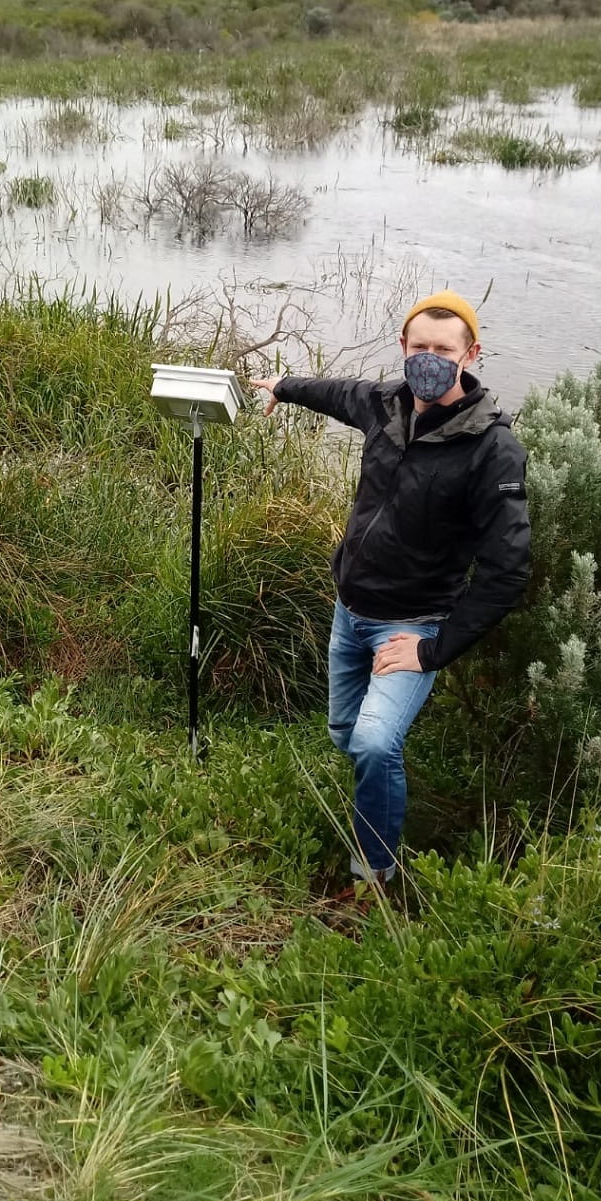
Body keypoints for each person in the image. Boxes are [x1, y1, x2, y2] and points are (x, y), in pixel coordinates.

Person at [251, 290, 530, 901]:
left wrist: (433, 652)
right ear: (404, 348)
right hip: (349, 612)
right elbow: (334, 392)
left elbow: (507, 570)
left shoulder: (491, 448)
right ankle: (378, 801)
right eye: (419, 347)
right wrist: (283, 386)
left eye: (444, 349)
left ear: (471, 353)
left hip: (412, 627)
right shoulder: (385, 404)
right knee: (345, 736)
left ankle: (375, 873)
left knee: (376, 743)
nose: (429, 359)